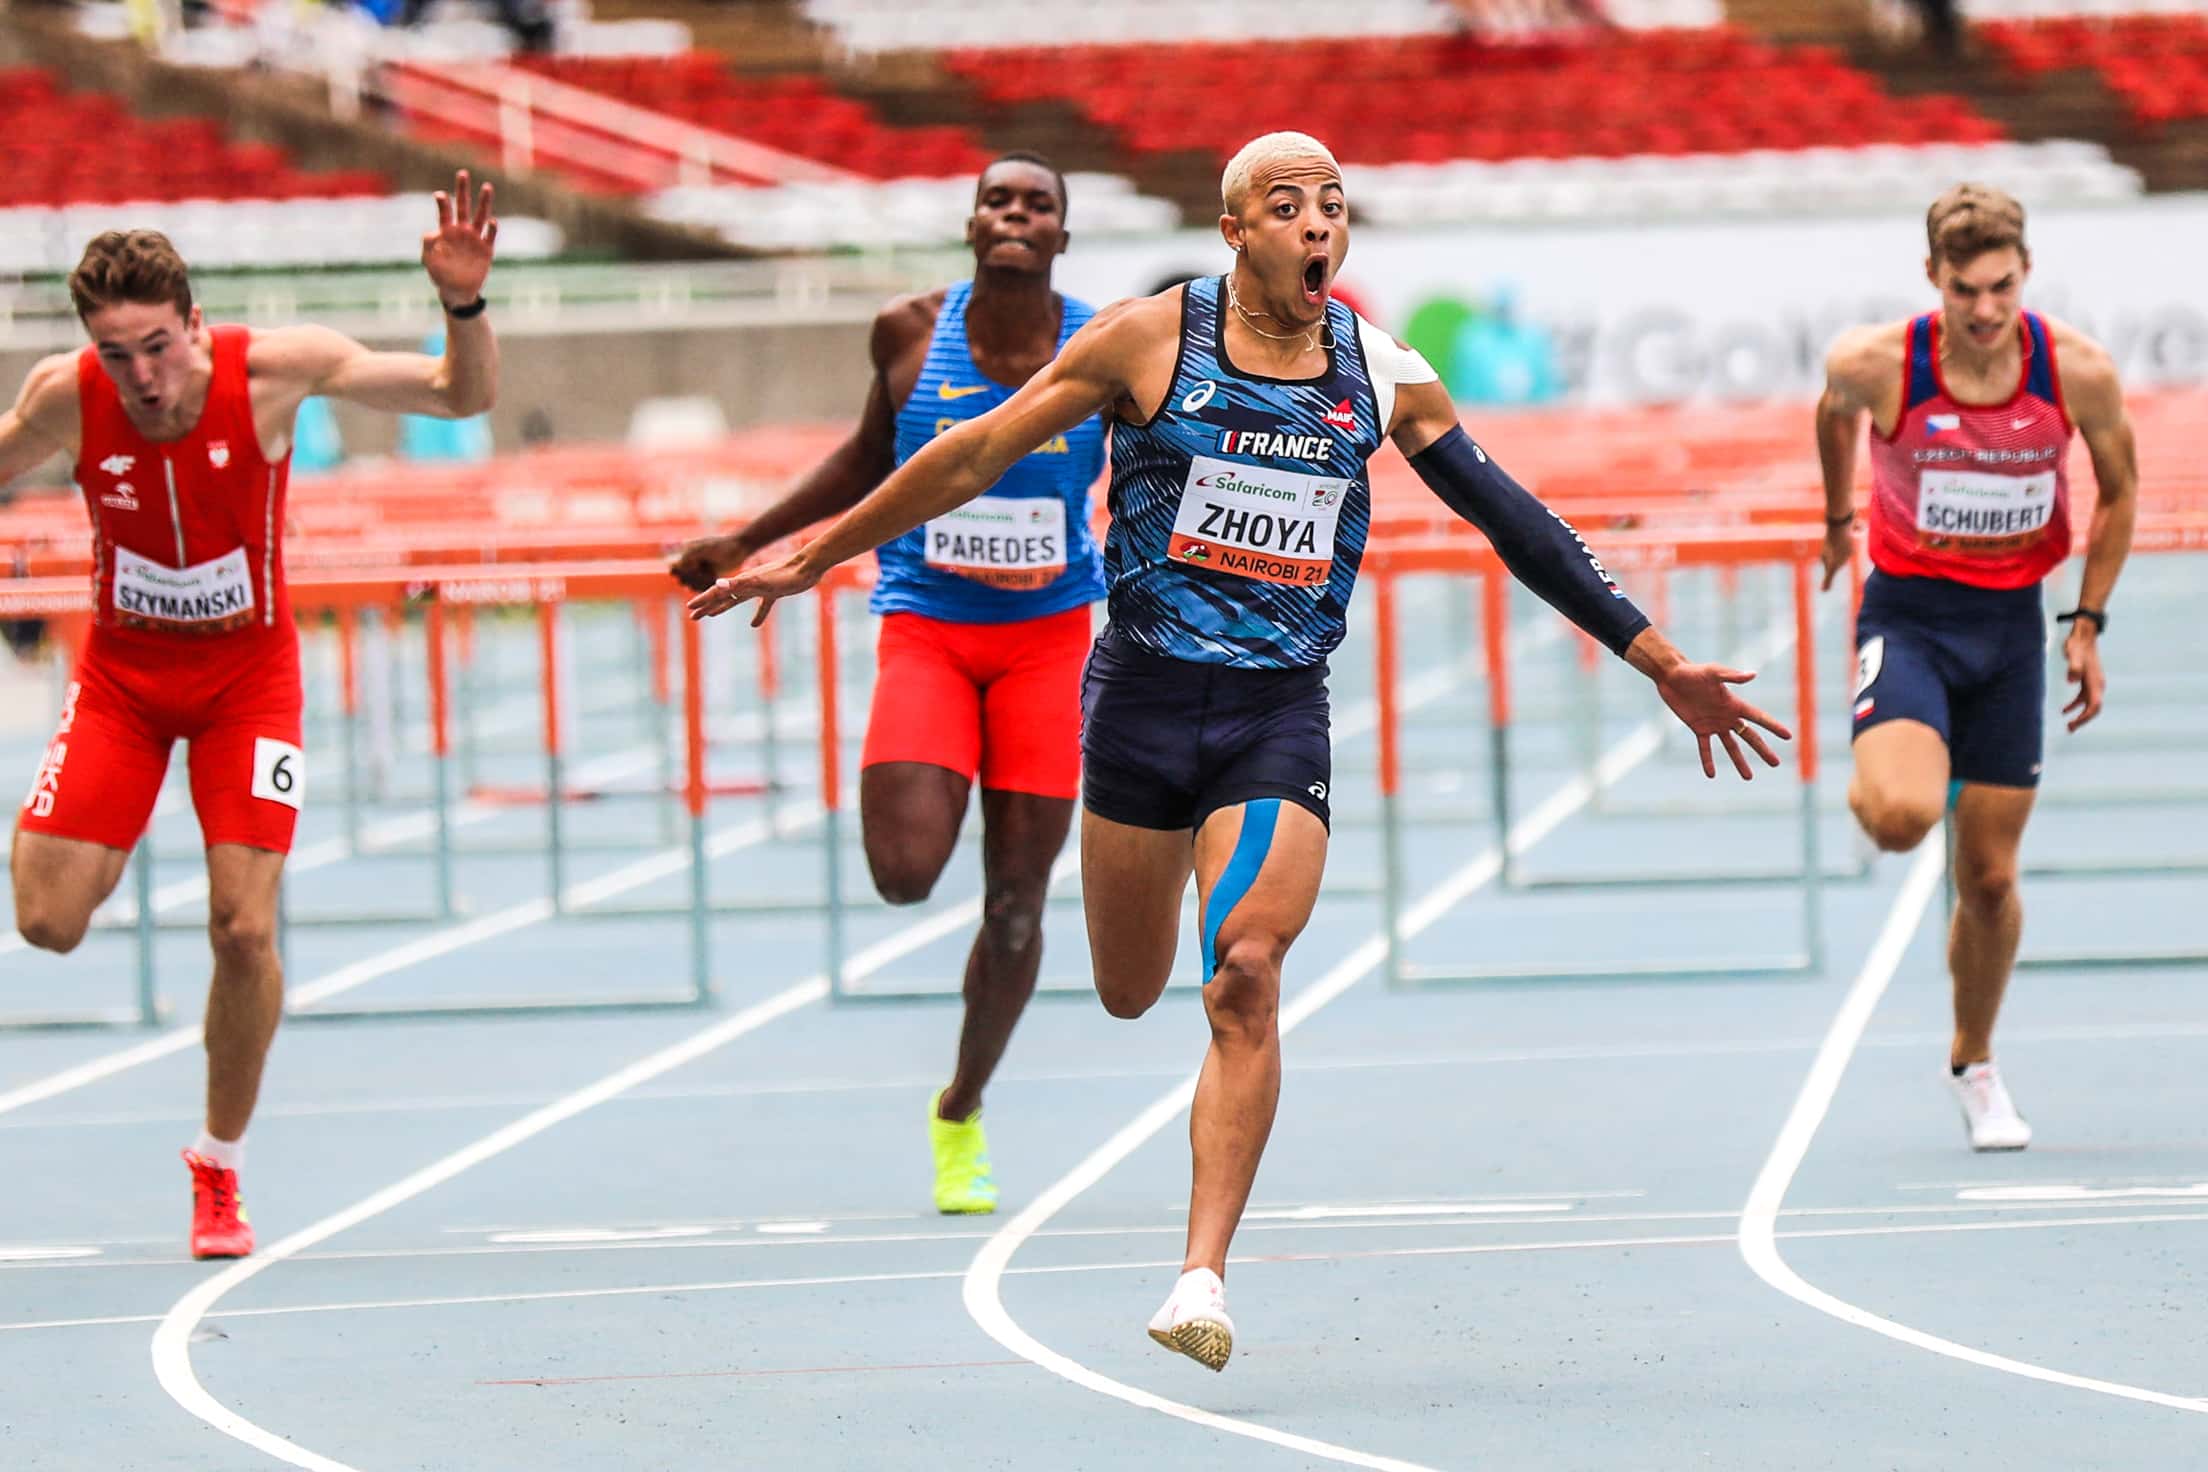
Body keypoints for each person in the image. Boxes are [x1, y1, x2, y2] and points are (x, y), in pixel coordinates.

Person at [689, 131, 1788, 1372]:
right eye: (1288, 204)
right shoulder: (1149, 341)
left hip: (1275, 716)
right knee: (1127, 985)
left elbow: (1516, 520)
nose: (1318, 223)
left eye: (1335, 203)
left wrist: (1657, 658)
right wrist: (812, 554)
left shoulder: (1381, 372)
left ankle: (1200, 1277)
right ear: (1236, 231)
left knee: (1246, 975)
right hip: (1140, 708)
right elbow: (974, 452)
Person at [4, 171, 501, 1259]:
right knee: (45, 920)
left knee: (242, 926)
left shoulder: (278, 370)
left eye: (158, 347)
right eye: (117, 354)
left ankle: (218, 1163)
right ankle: (105, 826)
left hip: (248, 684)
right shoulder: (65, 395)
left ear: (195, 322)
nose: (142, 376)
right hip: (123, 682)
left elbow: (458, 398)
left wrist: (463, 305)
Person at [671, 154, 1103, 1216]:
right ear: (971, 224)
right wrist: (749, 538)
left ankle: (960, 1109)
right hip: (930, 631)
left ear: (1062, 235)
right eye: (998, 200)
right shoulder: (909, 332)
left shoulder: (1101, 347)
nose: (1015, 215)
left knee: (1016, 908)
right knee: (905, 874)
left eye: (1037, 204)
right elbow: (870, 456)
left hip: (1049, 639)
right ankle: (958, 1084)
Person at [1816, 183, 2136, 1153]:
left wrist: (2086, 621)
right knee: (1904, 819)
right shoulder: (1879, 363)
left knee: (1990, 877)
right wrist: (1839, 517)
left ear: (2026, 273)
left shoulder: (2077, 371)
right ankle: (1881, 770)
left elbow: (2120, 492)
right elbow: (1833, 412)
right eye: (1966, 291)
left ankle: (1975, 1064)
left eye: (2002, 287)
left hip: (2009, 630)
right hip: (1910, 616)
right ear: (1933, 280)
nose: (1987, 309)